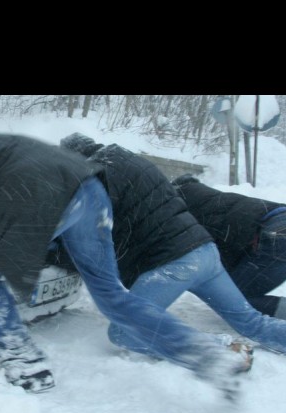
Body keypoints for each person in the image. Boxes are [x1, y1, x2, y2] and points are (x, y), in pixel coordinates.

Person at [0, 130, 248, 398]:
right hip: (89, 192)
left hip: (46, 199)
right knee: (110, 296)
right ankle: (206, 356)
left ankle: (22, 360)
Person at [60, 132, 286, 360]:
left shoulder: (97, 178)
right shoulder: (135, 161)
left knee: (124, 333)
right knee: (250, 321)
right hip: (205, 252)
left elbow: (94, 230)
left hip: (173, 263)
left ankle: (220, 350)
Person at [172, 174, 286, 320]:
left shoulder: (177, 208)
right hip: (279, 222)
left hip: (276, 233)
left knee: (233, 299)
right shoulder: (199, 195)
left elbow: (217, 248)